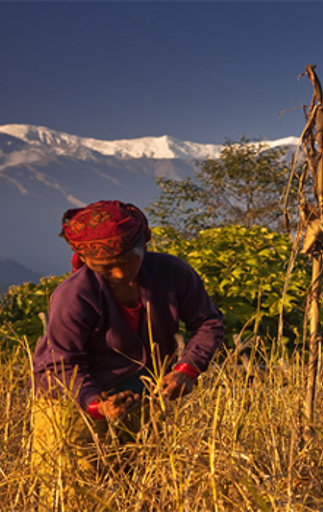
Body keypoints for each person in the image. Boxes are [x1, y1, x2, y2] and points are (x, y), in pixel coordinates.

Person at [30, 200, 224, 499]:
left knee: (139, 487)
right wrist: (96, 405)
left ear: (144, 243)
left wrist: (188, 369)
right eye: (106, 268)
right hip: (72, 399)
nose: (121, 274)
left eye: (128, 260)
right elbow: (60, 363)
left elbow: (208, 321)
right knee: (73, 494)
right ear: (82, 257)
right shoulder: (74, 295)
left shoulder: (172, 273)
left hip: (140, 395)